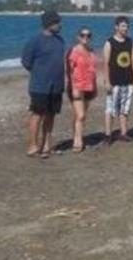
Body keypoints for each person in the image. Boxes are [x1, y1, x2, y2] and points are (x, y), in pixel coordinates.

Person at [21, 10, 65, 158]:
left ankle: (47, 145)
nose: (59, 25)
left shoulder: (60, 41)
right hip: (40, 86)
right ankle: (33, 146)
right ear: (48, 24)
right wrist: (39, 73)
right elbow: (26, 62)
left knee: (51, 116)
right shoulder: (35, 41)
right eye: (57, 22)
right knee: (37, 115)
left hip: (56, 85)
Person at [103, 16, 133, 144]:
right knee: (111, 109)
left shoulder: (130, 42)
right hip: (114, 81)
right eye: (123, 26)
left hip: (128, 80)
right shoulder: (109, 42)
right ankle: (108, 135)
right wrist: (107, 81)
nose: (125, 28)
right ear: (116, 27)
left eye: (127, 26)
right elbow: (106, 63)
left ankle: (123, 133)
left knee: (125, 108)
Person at [66, 26, 98, 153]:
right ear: (78, 37)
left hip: (88, 86)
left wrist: (95, 87)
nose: (86, 37)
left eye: (88, 35)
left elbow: (93, 71)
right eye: (83, 35)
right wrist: (73, 87)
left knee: (80, 115)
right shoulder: (74, 51)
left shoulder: (92, 52)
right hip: (77, 87)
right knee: (81, 115)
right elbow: (70, 71)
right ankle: (78, 141)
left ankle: (76, 135)